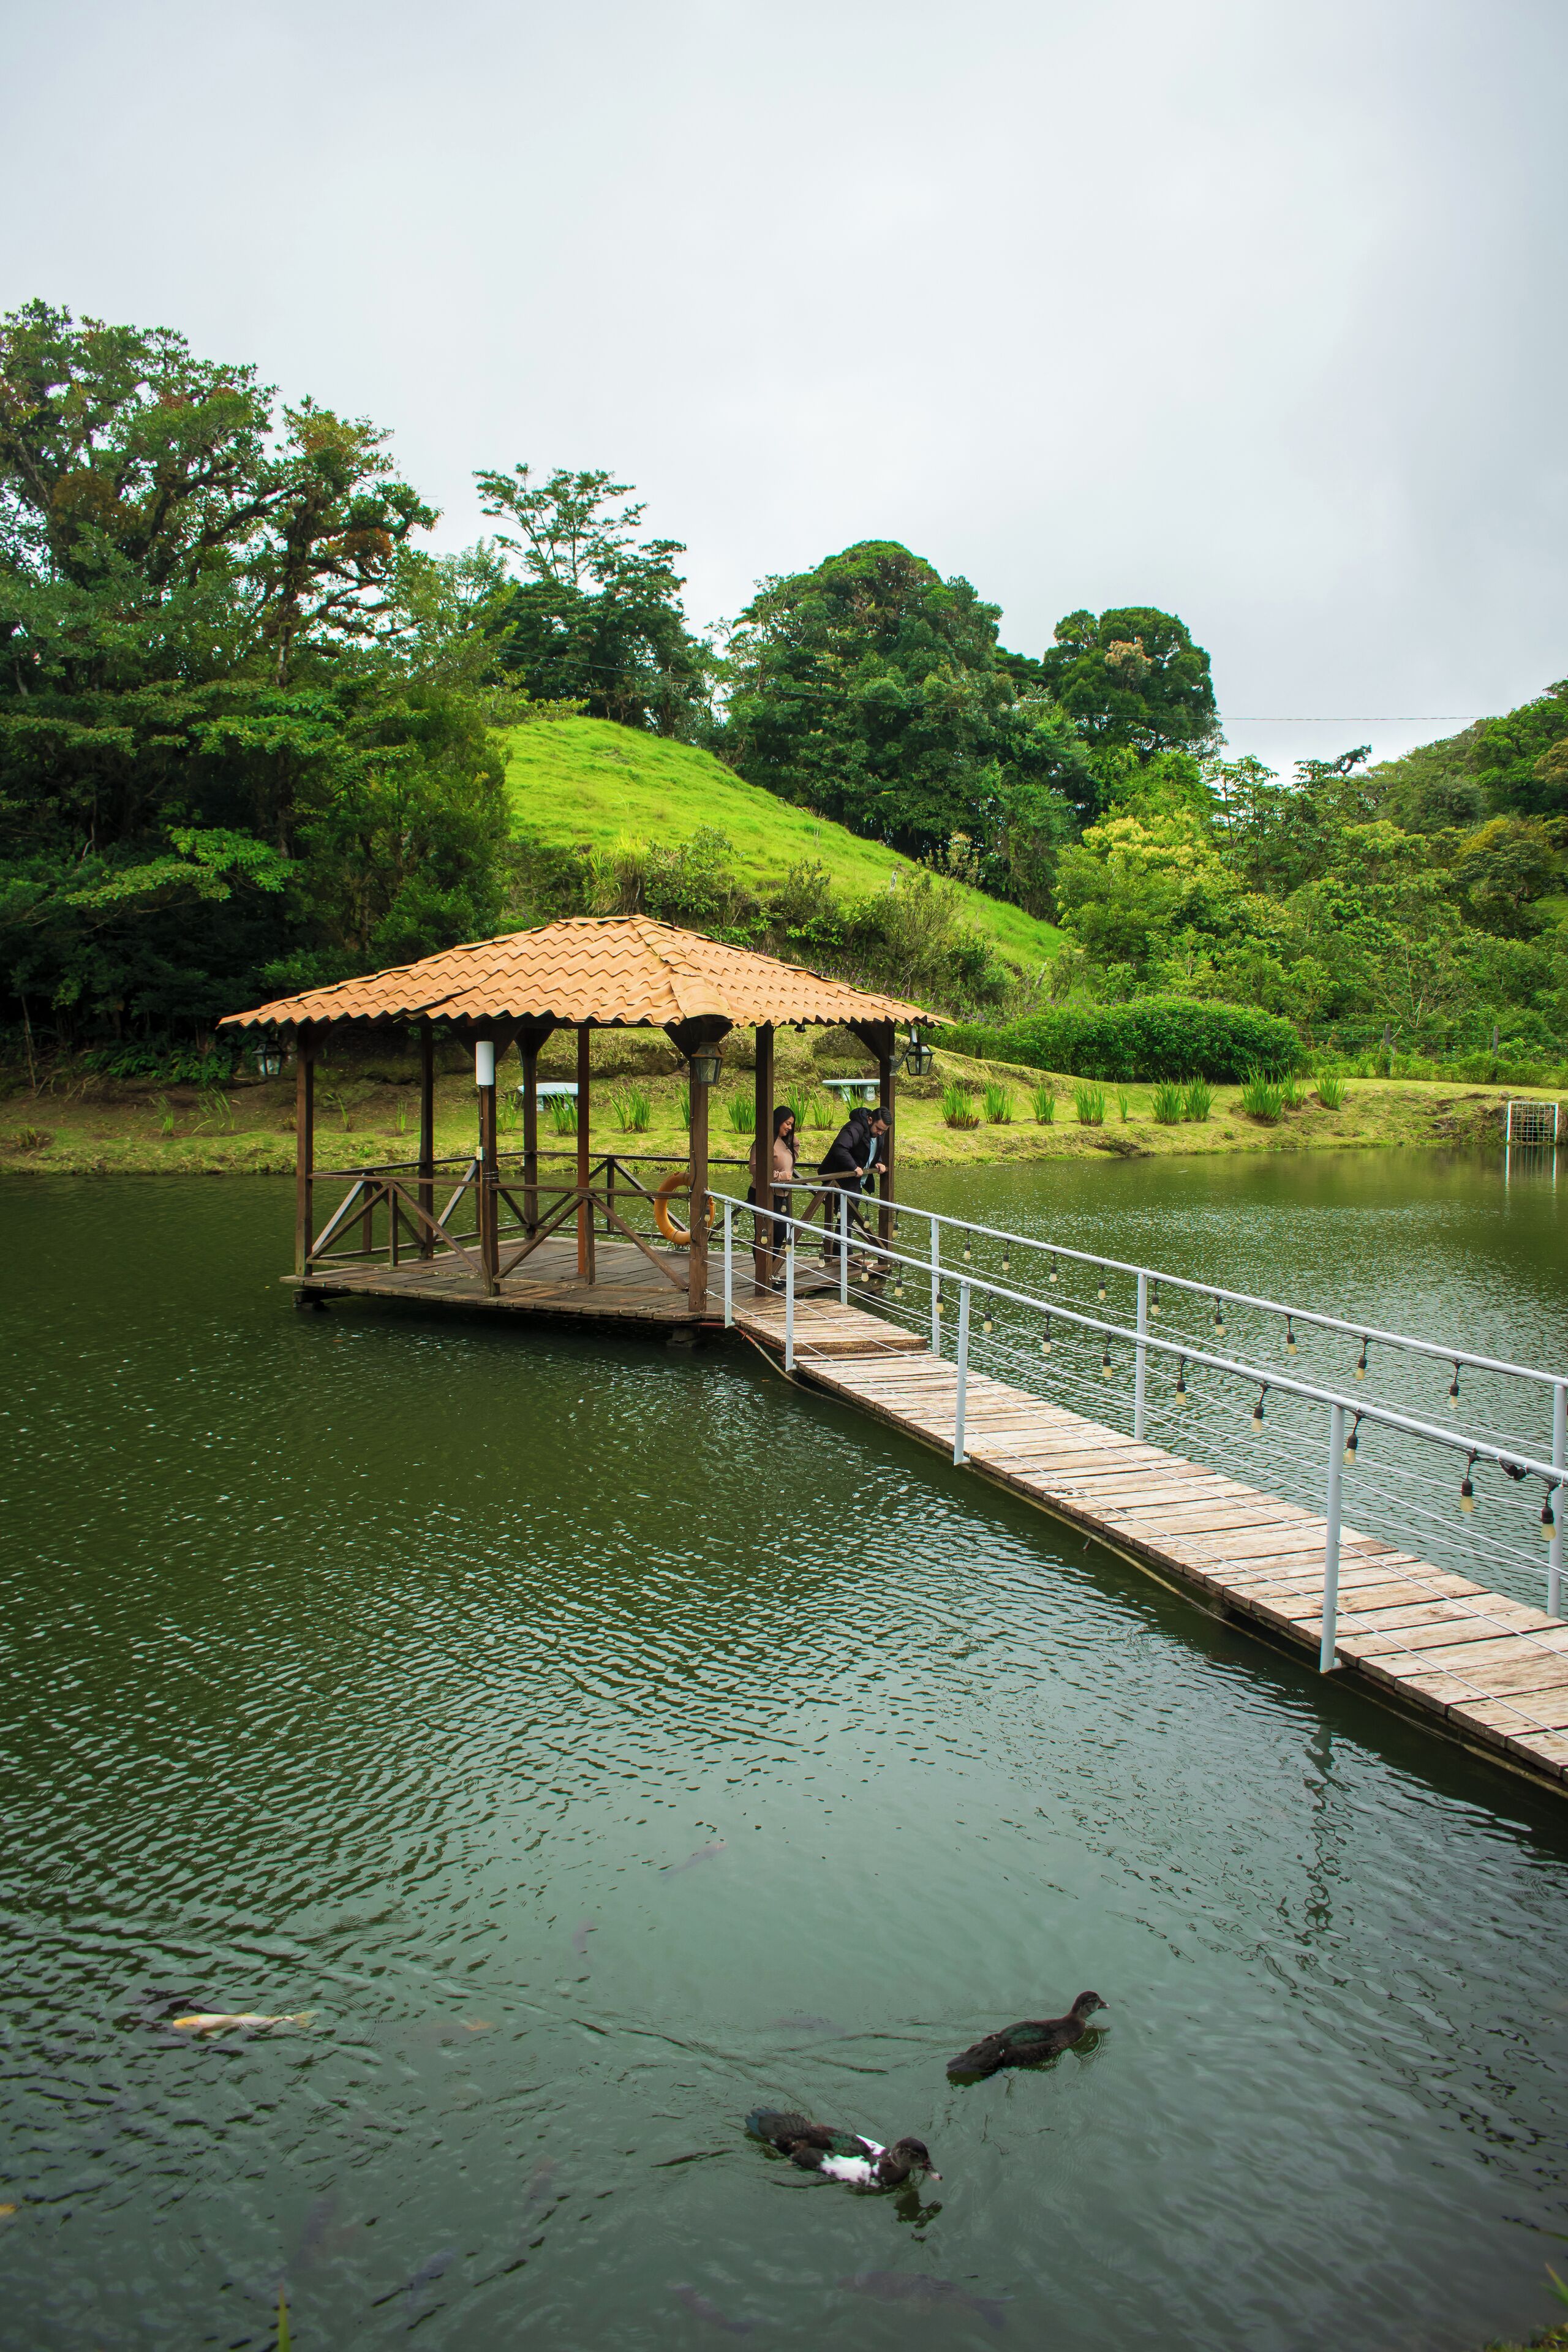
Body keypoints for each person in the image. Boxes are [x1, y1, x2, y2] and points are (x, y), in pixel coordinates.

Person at [818, 1099, 889, 1271]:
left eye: (884, 1131)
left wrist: (878, 1162)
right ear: (870, 1120)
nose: (880, 1133)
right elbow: (840, 1148)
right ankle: (846, 1257)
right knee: (846, 1218)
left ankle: (840, 1254)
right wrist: (853, 1167)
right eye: (878, 1129)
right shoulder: (854, 1128)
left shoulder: (877, 1132)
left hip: (856, 1180)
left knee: (846, 1218)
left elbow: (873, 1149)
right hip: (842, 1178)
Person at [748, 1104, 797, 1288]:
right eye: (787, 1123)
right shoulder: (764, 1142)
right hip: (762, 1194)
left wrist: (793, 1139)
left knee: (781, 1233)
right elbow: (755, 1168)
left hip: (781, 1196)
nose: (790, 1128)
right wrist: (781, 1177)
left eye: (792, 1125)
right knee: (764, 1234)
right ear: (777, 1121)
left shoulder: (785, 1142)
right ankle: (764, 1274)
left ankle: (772, 1272)